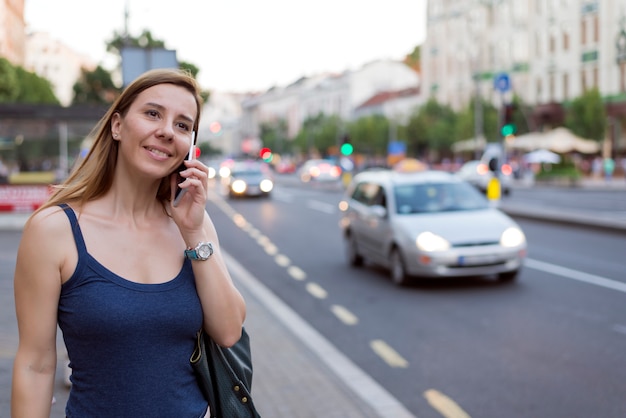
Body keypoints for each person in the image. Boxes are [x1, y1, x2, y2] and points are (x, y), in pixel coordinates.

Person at [11, 68, 246, 417]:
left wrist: (195, 233)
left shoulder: (192, 224)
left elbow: (228, 332)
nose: (167, 131)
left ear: (190, 147)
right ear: (117, 126)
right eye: (153, 113)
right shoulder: (53, 230)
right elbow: (36, 365)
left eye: (183, 125)